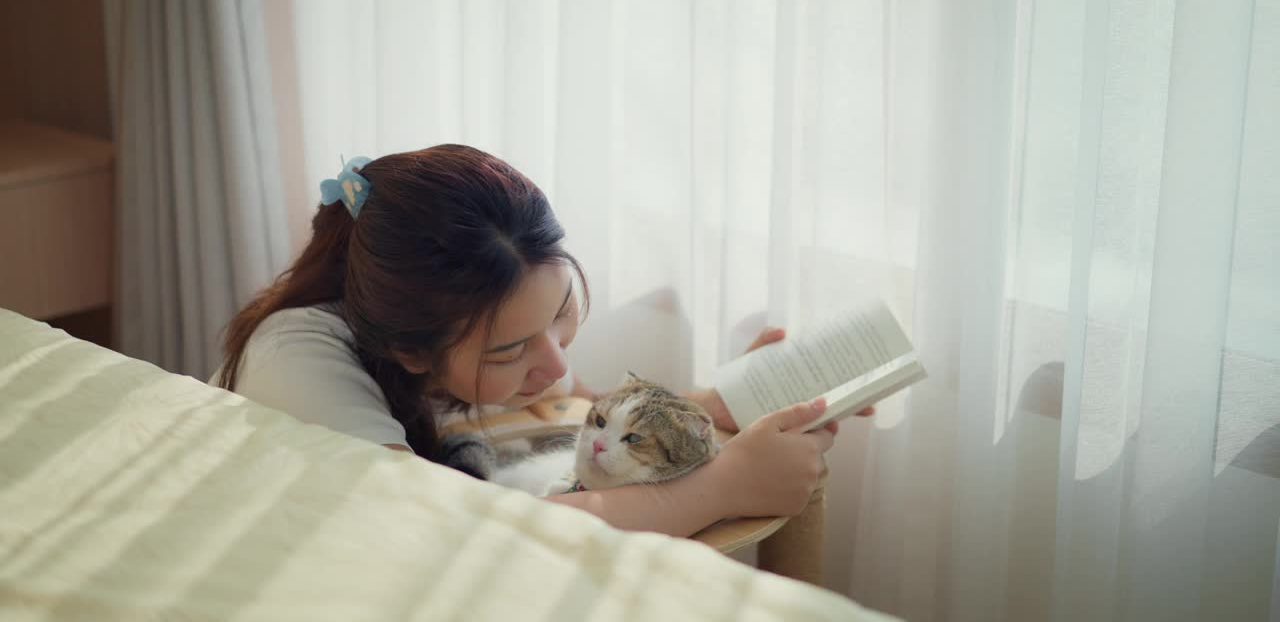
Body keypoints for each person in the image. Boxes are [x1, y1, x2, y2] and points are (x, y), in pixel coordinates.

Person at [213, 145, 866, 538]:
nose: (554, 361)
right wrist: (720, 489)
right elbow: (440, 530)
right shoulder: (296, 358)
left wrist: (712, 405)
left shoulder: (503, 326)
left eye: (561, 311)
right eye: (509, 351)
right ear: (412, 353)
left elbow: (571, 408)